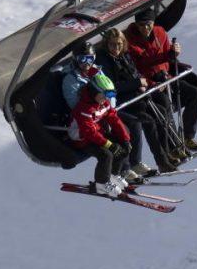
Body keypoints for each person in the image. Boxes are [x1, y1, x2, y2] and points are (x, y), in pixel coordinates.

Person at [121, 14, 197, 163]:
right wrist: (155, 77)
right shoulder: (130, 40)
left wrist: (174, 53)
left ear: (153, 23)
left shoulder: (160, 32)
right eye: (141, 25)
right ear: (136, 25)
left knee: (196, 94)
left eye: (148, 24)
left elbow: (168, 56)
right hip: (150, 83)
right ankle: (174, 147)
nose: (145, 28)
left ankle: (187, 137)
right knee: (164, 105)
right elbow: (139, 64)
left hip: (165, 78)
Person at [60, 47, 147, 188]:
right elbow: (86, 126)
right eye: (83, 59)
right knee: (107, 154)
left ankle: (116, 174)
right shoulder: (75, 89)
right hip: (83, 133)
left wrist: (125, 139)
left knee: (125, 140)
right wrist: (109, 144)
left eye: (90, 58)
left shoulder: (100, 86)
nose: (87, 63)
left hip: (99, 122)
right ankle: (103, 182)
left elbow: (113, 113)